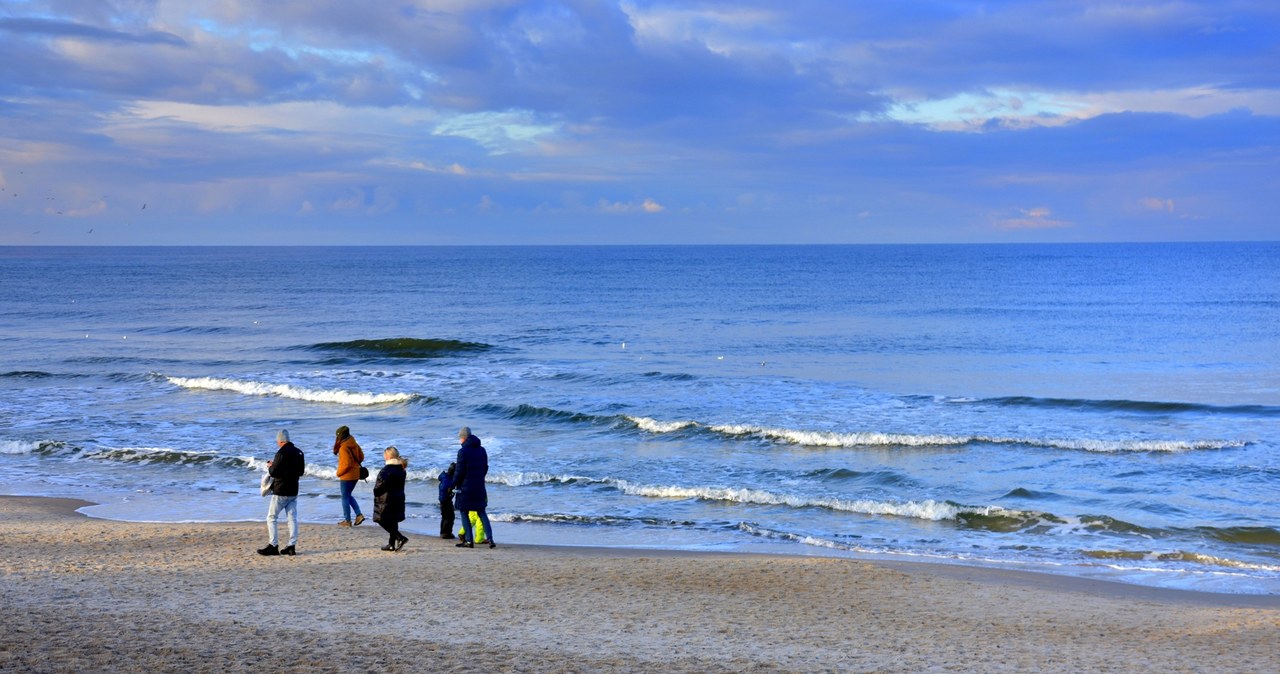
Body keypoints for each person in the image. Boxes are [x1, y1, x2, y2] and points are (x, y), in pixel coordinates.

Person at [259, 429, 305, 556]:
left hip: (280, 490)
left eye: (277, 441)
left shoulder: (281, 453)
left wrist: (270, 466)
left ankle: (273, 545)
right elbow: (301, 472)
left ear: (280, 440)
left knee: (272, 517)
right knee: (292, 518)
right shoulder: (299, 452)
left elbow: (274, 472)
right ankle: (291, 546)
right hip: (293, 490)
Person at [453, 426, 495, 549]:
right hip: (479, 486)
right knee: (481, 512)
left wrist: (453, 484)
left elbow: (459, 472)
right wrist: (479, 478)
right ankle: (491, 539)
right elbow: (485, 467)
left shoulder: (463, 452)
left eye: (460, 438)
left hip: (465, 488)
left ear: (463, 438)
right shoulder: (482, 450)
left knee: (464, 511)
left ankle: (468, 541)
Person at [373, 446, 409, 552]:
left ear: (388, 456)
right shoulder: (401, 469)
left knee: (380, 519)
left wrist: (376, 492)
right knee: (393, 520)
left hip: (386, 499)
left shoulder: (386, 470)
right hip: (398, 497)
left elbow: (379, 487)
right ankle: (391, 544)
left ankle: (400, 537)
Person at [333, 425, 365, 527]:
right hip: (356, 474)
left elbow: (346, 464)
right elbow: (361, 457)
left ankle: (347, 520)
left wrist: (339, 473)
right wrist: (354, 465)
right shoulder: (354, 443)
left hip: (346, 476)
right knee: (348, 495)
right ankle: (359, 515)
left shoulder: (343, 448)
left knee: (345, 497)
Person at [438, 462, 456, 539]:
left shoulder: (444, 476)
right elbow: (447, 489)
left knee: (445, 516)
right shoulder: (449, 481)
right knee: (449, 516)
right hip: (446, 500)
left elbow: (439, 478)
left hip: (443, 499)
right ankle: (446, 533)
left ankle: (444, 532)